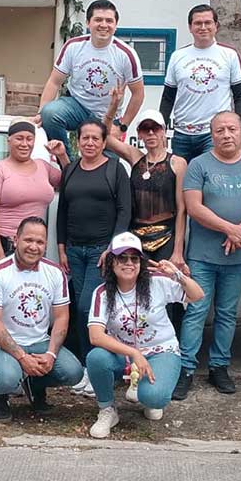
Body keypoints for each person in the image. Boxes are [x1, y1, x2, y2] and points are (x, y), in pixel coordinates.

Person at [174, 111, 241, 400]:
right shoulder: (199, 165)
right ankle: (186, 369)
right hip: (202, 257)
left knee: (228, 314)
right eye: (219, 130)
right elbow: (194, 207)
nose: (226, 135)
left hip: (238, 258)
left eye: (231, 129)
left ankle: (220, 367)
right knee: (196, 313)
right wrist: (231, 229)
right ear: (211, 134)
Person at [85, 233, 204, 438]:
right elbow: (95, 336)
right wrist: (134, 354)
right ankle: (107, 410)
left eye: (134, 258)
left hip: (161, 350)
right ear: (112, 262)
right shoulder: (102, 293)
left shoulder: (157, 282)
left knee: (154, 398)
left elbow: (197, 296)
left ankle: (144, 390)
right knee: (96, 358)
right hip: (125, 354)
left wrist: (177, 274)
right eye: (122, 258)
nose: (129, 263)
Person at [0, 217, 84, 421]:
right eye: (28, 240)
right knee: (7, 379)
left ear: (46, 245)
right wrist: (21, 357)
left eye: (40, 242)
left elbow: (62, 317)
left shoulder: (55, 273)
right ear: (16, 239)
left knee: (74, 372)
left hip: (39, 341)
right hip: (4, 344)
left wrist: (51, 355)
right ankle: (0, 396)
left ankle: (36, 385)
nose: (34, 247)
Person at [103, 97, 189, 330]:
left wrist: (178, 251)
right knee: (136, 288)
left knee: (167, 290)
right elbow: (106, 137)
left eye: (155, 128)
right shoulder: (135, 157)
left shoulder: (177, 163)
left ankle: (169, 348)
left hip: (167, 235)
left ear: (163, 132)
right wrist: (113, 109)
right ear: (139, 133)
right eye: (145, 129)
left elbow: (182, 209)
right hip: (137, 235)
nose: (150, 133)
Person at [57, 119, 131, 364]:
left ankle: (94, 363)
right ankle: (87, 363)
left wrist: (112, 248)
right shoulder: (70, 170)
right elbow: (63, 212)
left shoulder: (115, 168)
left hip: (101, 251)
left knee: (88, 308)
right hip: (74, 250)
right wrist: (62, 248)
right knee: (79, 306)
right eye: (84, 138)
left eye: (95, 138)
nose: (89, 143)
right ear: (77, 142)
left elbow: (124, 211)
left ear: (103, 142)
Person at [36, 0, 144, 159]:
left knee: (109, 165)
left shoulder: (126, 54)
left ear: (116, 25)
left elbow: (138, 94)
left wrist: (122, 126)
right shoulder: (73, 46)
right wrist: (41, 113)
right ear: (88, 23)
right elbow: (54, 82)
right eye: (98, 20)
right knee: (50, 113)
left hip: (108, 115)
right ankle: (67, 161)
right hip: (76, 106)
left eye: (109, 21)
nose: (103, 25)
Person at [159, 4, 241, 161]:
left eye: (208, 23)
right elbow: (168, 97)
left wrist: (238, 127)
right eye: (198, 23)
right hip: (182, 134)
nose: (203, 27)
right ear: (190, 27)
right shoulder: (177, 56)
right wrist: (161, 128)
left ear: (216, 26)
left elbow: (240, 96)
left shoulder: (229, 55)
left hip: (214, 134)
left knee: (211, 180)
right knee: (181, 181)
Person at [0, 121, 66, 270]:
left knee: (30, 292)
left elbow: (71, 180)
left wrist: (62, 155)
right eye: (19, 138)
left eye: (29, 139)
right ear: (9, 140)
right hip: (4, 245)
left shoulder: (43, 166)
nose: (24, 144)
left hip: (34, 247)